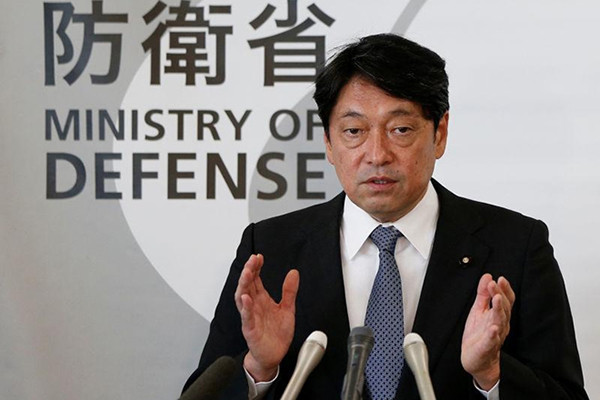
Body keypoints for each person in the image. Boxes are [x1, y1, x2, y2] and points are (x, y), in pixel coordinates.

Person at [183, 33, 589, 400]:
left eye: (400, 130)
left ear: (439, 133)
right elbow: (203, 391)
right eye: (354, 131)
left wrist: (492, 374)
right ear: (328, 143)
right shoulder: (271, 249)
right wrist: (259, 368)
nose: (377, 155)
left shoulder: (515, 246)